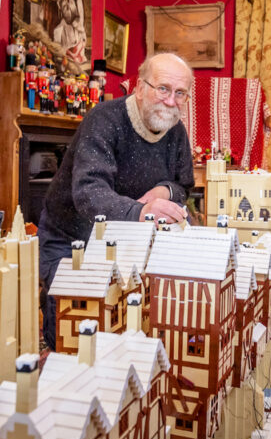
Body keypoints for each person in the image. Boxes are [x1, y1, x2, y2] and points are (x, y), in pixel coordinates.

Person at [37, 52, 195, 348]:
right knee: (71, 332)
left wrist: (164, 191)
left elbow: (184, 186)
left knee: (131, 326)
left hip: (129, 243)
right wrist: (142, 211)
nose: (170, 101)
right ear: (140, 87)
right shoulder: (105, 119)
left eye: (180, 93)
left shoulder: (176, 132)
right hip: (73, 240)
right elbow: (89, 192)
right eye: (163, 89)